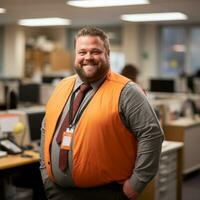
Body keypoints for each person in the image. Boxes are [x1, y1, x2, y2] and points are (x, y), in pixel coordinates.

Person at [40, 27, 164, 200]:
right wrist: (46, 174)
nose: (88, 57)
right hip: (58, 192)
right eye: (82, 52)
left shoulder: (126, 91)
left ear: (107, 54)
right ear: (75, 55)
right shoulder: (62, 86)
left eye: (95, 51)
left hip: (105, 193)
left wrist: (136, 185)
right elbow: (46, 128)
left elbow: (151, 135)